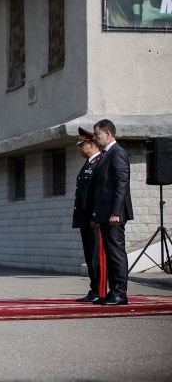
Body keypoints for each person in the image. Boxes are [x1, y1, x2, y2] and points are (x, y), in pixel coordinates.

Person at [90, 119, 134, 306]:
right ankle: (112, 290)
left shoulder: (118, 153)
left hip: (114, 215)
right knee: (109, 252)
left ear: (108, 134)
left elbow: (121, 184)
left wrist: (115, 212)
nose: (95, 138)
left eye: (97, 135)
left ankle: (120, 293)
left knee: (116, 253)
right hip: (105, 214)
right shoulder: (105, 155)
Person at [72, 128, 102, 302]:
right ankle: (94, 289)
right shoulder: (88, 164)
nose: (79, 149)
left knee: (95, 256)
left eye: (81, 145)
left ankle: (99, 290)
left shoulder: (98, 163)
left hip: (93, 220)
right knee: (89, 255)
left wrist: (94, 216)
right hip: (84, 219)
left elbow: (98, 193)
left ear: (91, 144)